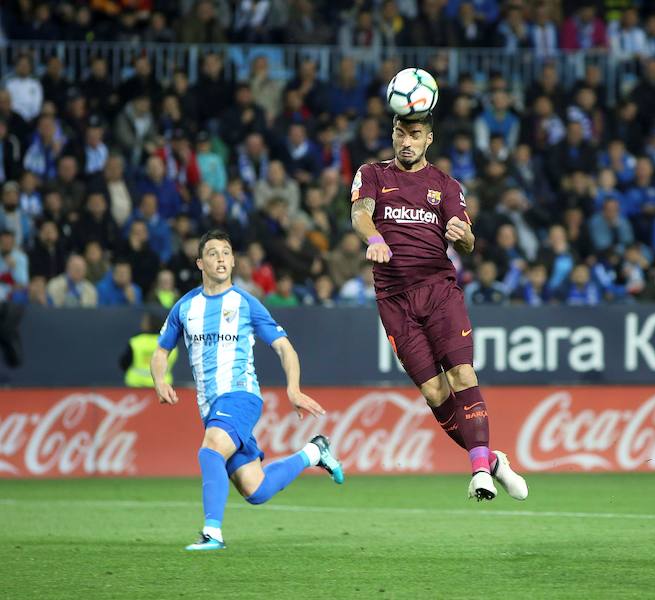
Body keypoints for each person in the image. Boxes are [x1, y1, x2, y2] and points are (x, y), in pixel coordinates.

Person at [350, 112, 527, 502]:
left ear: (429, 139)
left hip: (439, 292)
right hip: (394, 301)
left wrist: (463, 235)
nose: (406, 141)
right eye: (400, 133)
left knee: (462, 373)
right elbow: (359, 214)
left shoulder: (445, 186)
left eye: (415, 134)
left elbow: (468, 242)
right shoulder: (372, 174)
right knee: (434, 392)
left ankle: (479, 471)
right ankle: (493, 463)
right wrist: (375, 237)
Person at [151, 230, 344, 551]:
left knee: (210, 450)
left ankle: (212, 532)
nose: (221, 258)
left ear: (234, 260)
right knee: (256, 490)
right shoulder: (185, 307)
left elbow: (284, 348)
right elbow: (160, 352)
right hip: (210, 406)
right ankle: (315, 451)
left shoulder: (245, 303)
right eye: (212, 253)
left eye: (226, 252)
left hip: (241, 396)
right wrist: (159, 380)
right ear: (200, 262)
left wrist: (293, 389)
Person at [120, 312, 178, 388]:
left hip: (136, 385)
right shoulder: (170, 343)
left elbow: (124, 363)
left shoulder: (136, 342)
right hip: (162, 386)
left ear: (147, 325)